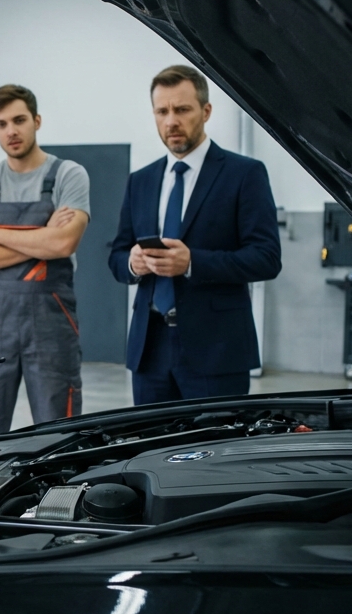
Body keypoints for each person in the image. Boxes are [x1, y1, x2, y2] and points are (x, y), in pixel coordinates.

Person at [108, 65, 282, 404]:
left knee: (215, 449)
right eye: (162, 111)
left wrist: (192, 263)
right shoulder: (140, 181)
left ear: (205, 111)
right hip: (149, 348)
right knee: (149, 450)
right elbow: (115, 254)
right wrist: (132, 263)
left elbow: (266, 258)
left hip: (216, 350)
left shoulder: (244, 174)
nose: (171, 121)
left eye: (182, 109)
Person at [0, 85, 90, 438]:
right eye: (1, 124)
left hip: (51, 319)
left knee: (58, 430)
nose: (11, 131)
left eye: (19, 120)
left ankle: (60, 494)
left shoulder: (68, 175)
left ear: (37, 121)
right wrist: (41, 236)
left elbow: (64, 242)